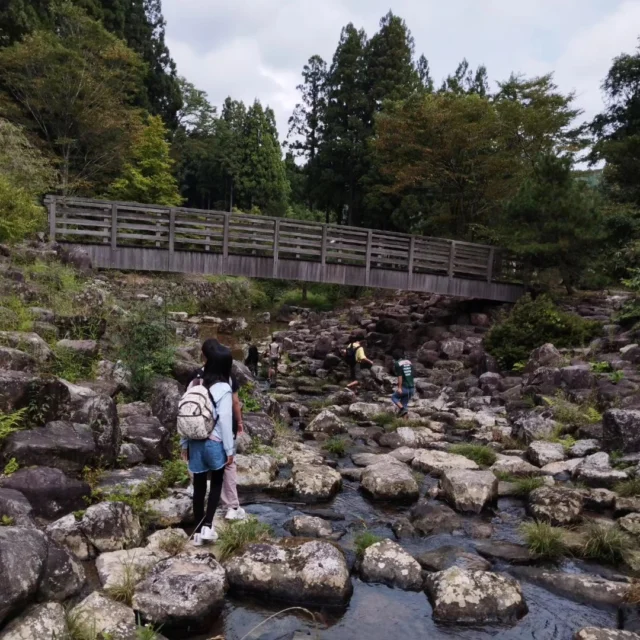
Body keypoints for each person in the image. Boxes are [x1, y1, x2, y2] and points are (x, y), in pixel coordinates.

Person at [187, 339, 246, 521]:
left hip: (196, 434)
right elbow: (233, 405)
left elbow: (187, 409)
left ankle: (200, 526)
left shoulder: (196, 379)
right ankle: (231, 506)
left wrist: (184, 442)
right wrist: (240, 422)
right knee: (225, 469)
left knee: (200, 480)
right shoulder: (226, 381)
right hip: (219, 435)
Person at [180, 342, 234, 543]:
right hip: (215, 442)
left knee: (199, 486)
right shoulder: (224, 388)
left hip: (195, 442)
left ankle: (197, 530)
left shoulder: (194, 383)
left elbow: (187, 414)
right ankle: (208, 528)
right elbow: (226, 421)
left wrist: (184, 444)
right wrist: (230, 450)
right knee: (217, 482)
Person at [391, 349, 416, 418]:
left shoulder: (397, 363)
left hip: (405, 387)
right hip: (412, 388)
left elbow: (400, 376)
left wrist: (399, 388)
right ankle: (405, 423)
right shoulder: (409, 362)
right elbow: (412, 374)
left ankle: (402, 409)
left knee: (394, 397)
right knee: (404, 404)